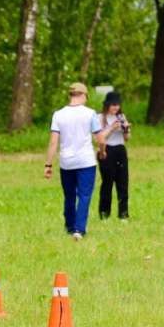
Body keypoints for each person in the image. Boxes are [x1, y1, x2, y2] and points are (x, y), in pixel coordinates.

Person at [44, 82, 104, 240]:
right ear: (83, 95)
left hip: (66, 162)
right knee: (84, 196)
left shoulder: (58, 115)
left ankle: (70, 226)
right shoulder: (90, 114)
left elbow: (53, 142)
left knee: (69, 195)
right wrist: (103, 151)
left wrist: (48, 164)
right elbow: (100, 139)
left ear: (71, 95)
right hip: (86, 162)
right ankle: (79, 230)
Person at [97, 91, 131, 220]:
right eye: (113, 105)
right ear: (107, 105)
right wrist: (111, 128)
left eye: (118, 104)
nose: (116, 107)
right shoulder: (100, 117)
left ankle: (123, 214)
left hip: (120, 150)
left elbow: (127, 138)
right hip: (106, 150)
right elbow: (100, 137)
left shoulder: (121, 116)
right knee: (107, 183)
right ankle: (104, 213)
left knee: (123, 183)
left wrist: (126, 129)